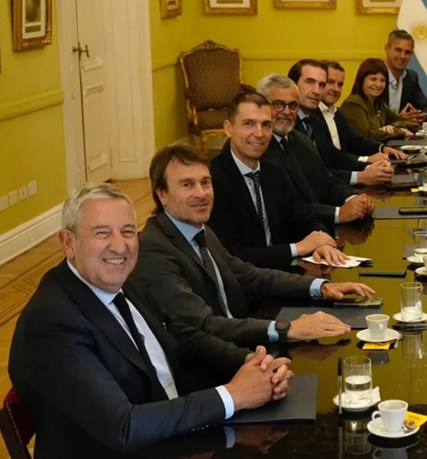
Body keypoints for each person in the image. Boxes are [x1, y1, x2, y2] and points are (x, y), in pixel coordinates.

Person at [10, 182, 293, 455]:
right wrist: (234, 395)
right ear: (68, 242)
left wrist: (252, 364)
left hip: (171, 433)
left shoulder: (122, 279)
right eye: (102, 233)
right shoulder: (51, 323)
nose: (119, 247)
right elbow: (124, 427)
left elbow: (183, 338)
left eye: (127, 231)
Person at [132, 144, 375, 348]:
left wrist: (320, 287)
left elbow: (249, 275)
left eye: (205, 182)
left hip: (242, 339)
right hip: (211, 363)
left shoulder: (198, 230)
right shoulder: (153, 249)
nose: (202, 193)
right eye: (187, 185)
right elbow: (204, 325)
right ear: (162, 194)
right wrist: (286, 328)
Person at [208, 91, 349, 269]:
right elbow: (232, 255)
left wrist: (321, 242)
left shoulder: (272, 170)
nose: (259, 133)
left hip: (283, 272)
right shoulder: (212, 179)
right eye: (249, 124)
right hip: (244, 279)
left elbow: (301, 215)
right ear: (228, 128)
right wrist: (297, 248)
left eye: (266, 125)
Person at [257, 74, 373, 226]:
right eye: (278, 104)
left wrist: (353, 198)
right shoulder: (258, 147)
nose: (286, 112)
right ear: (261, 106)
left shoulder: (300, 139)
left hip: (319, 226)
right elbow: (288, 208)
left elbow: (326, 181)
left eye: (293, 105)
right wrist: (338, 213)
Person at [288, 58, 396, 186]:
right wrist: (362, 173)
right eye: (310, 82)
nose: (317, 90)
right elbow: (312, 174)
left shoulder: (319, 117)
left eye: (321, 84)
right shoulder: (290, 123)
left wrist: (372, 166)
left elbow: (336, 154)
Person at [340, 58, 418, 141]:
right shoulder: (352, 104)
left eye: (382, 80)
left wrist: (392, 127)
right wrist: (399, 131)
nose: (378, 85)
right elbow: (366, 136)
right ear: (362, 80)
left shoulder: (379, 104)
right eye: (373, 79)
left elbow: (409, 122)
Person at [385, 29, 427, 121]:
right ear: (387, 49)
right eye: (398, 50)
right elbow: (370, 117)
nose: (402, 56)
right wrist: (398, 119)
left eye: (407, 52)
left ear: (412, 54)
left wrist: (422, 117)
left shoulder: (411, 77)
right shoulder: (375, 76)